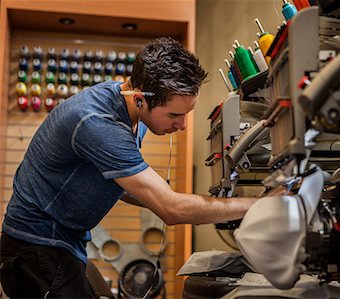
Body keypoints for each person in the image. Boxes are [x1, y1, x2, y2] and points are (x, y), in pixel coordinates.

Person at [0, 37, 259, 297]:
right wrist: (258, 204)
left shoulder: (129, 108)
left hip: (63, 242)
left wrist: (172, 201)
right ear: (139, 100)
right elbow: (172, 210)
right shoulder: (99, 124)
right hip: (35, 248)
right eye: (174, 115)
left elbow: (117, 180)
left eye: (186, 114)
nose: (182, 126)